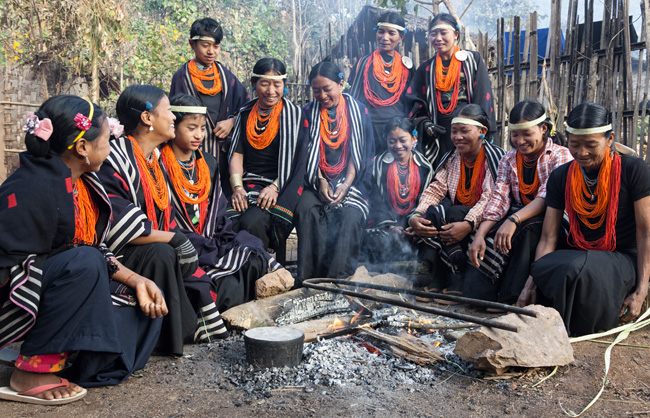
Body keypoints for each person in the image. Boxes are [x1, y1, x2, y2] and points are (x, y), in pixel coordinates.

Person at [0, 96, 164, 405]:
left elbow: (89, 247)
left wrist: (137, 281)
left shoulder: (81, 182)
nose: (110, 147)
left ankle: (65, 357)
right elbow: (72, 258)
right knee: (85, 264)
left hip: (50, 283)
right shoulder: (31, 189)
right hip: (12, 294)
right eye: (106, 140)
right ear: (82, 148)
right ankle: (32, 370)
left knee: (139, 314)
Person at [99, 85, 228, 355]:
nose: (172, 117)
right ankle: (159, 336)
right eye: (168, 111)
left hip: (145, 246)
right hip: (115, 256)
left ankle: (173, 327)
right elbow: (118, 221)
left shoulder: (152, 159)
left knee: (204, 272)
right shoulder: (114, 159)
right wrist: (175, 238)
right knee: (163, 252)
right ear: (147, 119)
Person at [517, 102, 650, 336]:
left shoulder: (633, 169)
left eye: (591, 145)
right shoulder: (561, 176)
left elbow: (645, 233)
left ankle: (571, 330)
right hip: (578, 250)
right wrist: (532, 281)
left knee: (577, 269)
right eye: (574, 144)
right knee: (549, 266)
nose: (581, 152)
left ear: (610, 140)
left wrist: (641, 291)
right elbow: (548, 237)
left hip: (622, 257)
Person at [160, 93, 291, 312]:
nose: (199, 135)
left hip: (210, 237)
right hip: (181, 241)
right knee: (225, 281)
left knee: (254, 252)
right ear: (174, 126)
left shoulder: (207, 162)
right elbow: (163, 217)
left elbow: (218, 210)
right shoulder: (160, 163)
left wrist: (219, 238)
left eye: (202, 129)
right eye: (191, 128)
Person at [466, 100, 572, 304]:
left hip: (555, 221)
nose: (520, 141)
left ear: (543, 129)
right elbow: (499, 199)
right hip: (519, 216)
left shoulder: (560, 155)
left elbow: (547, 196)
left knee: (529, 229)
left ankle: (512, 297)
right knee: (483, 232)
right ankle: (481, 296)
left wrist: (513, 220)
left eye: (527, 134)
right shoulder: (509, 159)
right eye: (515, 134)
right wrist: (480, 233)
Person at [409, 104, 505, 299]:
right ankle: (437, 276)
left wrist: (468, 224)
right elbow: (436, 188)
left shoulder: (495, 159)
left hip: (486, 220)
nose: (458, 137)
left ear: (482, 131)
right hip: (456, 220)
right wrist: (416, 215)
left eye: (464, 131)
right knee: (434, 212)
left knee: (451, 213)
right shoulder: (452, 158)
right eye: (454, 132)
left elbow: (490, 198)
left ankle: (455, 280)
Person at [295, 60, 375, 283]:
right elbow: (304, 156)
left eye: (326, 88)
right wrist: (320, 180)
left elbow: (359, 154)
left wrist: (345, 185)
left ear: (341, 84)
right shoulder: (307, 114)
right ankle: (310, 278)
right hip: (314, 180)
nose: (321, 95)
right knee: (306, 210)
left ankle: (339, 279)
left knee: (351, 215)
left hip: (351, 180)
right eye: (316, 90)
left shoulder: (358, 112)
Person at [227, 58, 309, 251]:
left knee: (251, 223)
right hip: (248, 183)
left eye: (277, 84)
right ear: (254, 84)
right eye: (264, 83)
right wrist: (238, 188)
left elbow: (300, 162)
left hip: (282, 186)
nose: (271, 91)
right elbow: (237, 154)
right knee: (228, 220)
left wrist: (274, 187)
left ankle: (261, 271)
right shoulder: (245, 114)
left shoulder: (296, 116)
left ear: (284, 86)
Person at [169, 17, 249, 192]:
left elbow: (248, 108)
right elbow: (173, 117)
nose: (211, 51)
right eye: (205, 45)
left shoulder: (226, 77)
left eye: (216, 46)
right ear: (192, 43)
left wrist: (233, 121)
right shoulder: (181, 78)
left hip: (224, 154)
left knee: (224, 199)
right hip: (191, 153)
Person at [409, 13, 495, 168]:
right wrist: (426, 124)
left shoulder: (473, 60)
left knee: (472, 169)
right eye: (434, 34)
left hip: (469, 127)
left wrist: (478, 126)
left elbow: (483, 96)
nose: (438, 38)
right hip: (440, 131)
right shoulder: (426, 69)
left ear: (456, 35)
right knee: (444, 171)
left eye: (443, 33)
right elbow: (416, 104)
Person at [364, 117, 433, 264]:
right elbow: (374, 200)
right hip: (386, 225)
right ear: (386, 140)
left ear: (414, 138)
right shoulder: (377, 165)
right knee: (377, 240)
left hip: (413, 224)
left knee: (430, 238)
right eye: (392, 141)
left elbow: (426, 199)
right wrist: (390, 226)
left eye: (403, 140)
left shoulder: (424, 166)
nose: (398, 146)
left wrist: (414, 224)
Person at [348, 11, 414, 154]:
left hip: (397, 134)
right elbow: (353, 98)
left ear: (401, 37)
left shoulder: (407, 67)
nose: (385, 37)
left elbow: (411, 102)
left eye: (391, 33)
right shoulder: (363, 64)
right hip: (368, 130)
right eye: (381, 32)